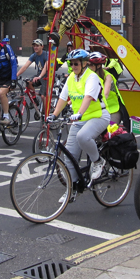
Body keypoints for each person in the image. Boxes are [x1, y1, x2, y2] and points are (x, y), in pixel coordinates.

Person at [46, 49, 109, 194]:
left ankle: (98, 161)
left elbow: (88, 97)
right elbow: (63, 98)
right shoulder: (71, 78)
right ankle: (73, 189)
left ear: (84, 63)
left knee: (83, 136)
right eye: (71, 63)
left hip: (98, 115)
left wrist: (79, 113)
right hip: (80, 118)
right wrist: (54, 115)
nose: (73, 66)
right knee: (69, 156)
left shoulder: (91, 77)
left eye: (76, 63)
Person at [88, 51, 126, 129]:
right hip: (98, 110)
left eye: (91, 65)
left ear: (98, 66)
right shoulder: (89, 76)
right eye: (88, 65)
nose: (89, 68)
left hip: (113, 110)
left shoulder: (108, 76)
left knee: (110, 130)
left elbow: (105, 94)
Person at [16, 39, 48, 110]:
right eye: (34, 46)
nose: (35, 47)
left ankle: (45, 114)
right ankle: (35, 100)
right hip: (39, 75)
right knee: (28, 82)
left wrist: (39, 76)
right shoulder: (34, 55)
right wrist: (16, 75)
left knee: (43, 96)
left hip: (47, 77)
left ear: (42, 46)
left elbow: (46, 67)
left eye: (37, 46)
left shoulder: (46, 54)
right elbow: (25, 66)